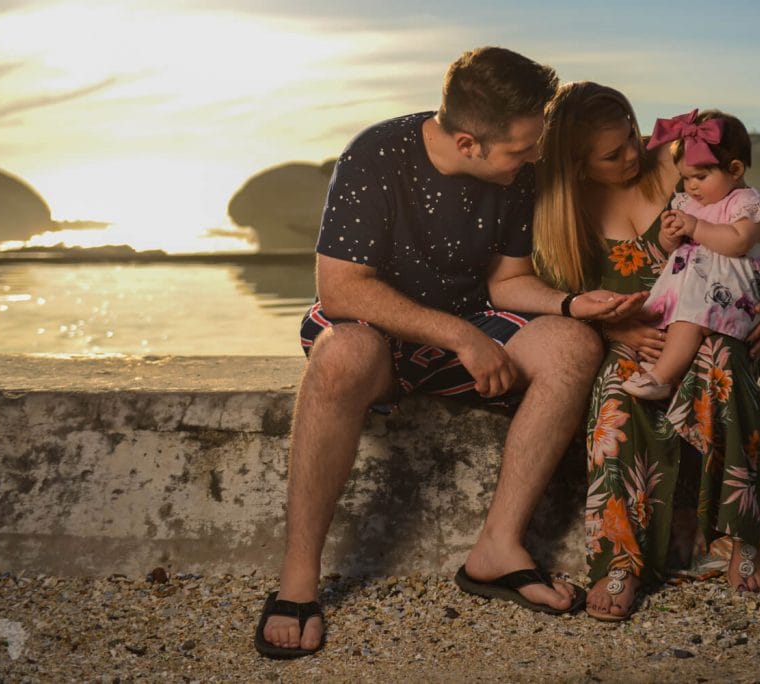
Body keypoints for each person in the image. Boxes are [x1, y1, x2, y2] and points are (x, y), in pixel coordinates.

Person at [254, 49, 646, 658]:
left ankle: (497, 549)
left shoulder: (517, 171)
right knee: (340, 356)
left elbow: (507, 283)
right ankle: (299, 578)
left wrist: (572, 306)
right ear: (468, 143)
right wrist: (463, 338)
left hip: (473, 319)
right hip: (375, 330)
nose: (533, 159)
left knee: (572, 346)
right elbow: (341, 290)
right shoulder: (374, 156)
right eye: (520, 150)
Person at [533, 82, 760, 622]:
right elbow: (563, 303)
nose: (633, 153)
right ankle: (619, 560)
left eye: (631, 135)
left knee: (719, 367)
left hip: (715, 323)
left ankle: (745, 532)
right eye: (613, 152)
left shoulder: (675, 162)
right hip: (635, 339)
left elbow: (746, 232)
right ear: (577, 163)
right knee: (615, 402)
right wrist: (612, 335)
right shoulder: (561, 215)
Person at [621, 109, 760, 400]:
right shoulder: (693, 202)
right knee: (661, 320)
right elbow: (677, 249)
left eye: (700, 176)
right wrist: (669, 236)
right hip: (690, 287)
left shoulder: (747, 204)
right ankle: (664, 364)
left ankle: (662, 378)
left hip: (726, 293)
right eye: (685, 178)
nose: (691, 186)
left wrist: (695, 226)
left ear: (735, 170)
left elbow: (738, 242)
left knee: (689, 319)